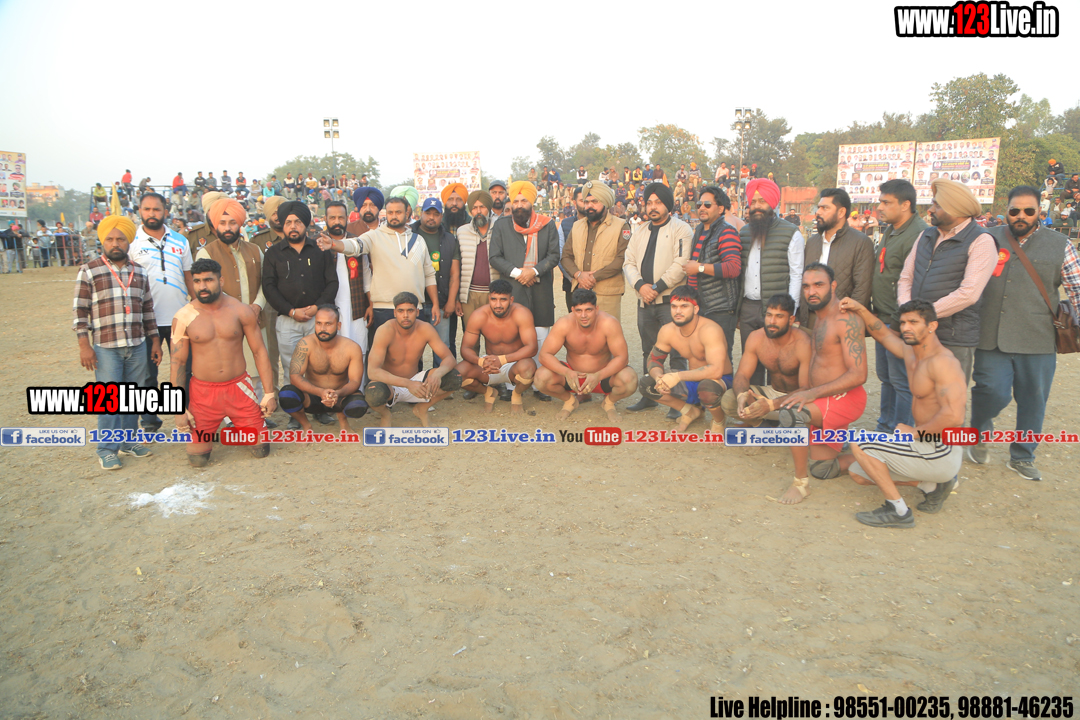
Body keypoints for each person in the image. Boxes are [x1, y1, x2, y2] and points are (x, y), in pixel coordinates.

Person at [966, 185, 1080, 481]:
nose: (1021, 216)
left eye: (1029, 211)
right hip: (990, 335)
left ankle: (1023, 455)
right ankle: (979, 432)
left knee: (1033, 401)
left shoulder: (1060, 244)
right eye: (1015, 210)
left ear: (1040, 212)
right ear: (1006, 210)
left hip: (1038, 337)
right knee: (990, 391)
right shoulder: (986, 238)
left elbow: (1077, 289)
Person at [839, 297, 966, 528]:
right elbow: (883, 335)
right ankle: (931, 486)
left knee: (859, 442)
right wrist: (860, 309)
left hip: (940, 450)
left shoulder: (943, 363)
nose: (906, 327)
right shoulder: (911, 353)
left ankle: (898, 511)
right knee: (859, 472)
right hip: (924, 446)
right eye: (904, 322)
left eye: (914, 322)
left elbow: (955, 416)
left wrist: (915, 432)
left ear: (932, 326)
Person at [774, 264, 869, 505]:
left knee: (791, 414)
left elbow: (859, 374)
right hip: (823, 399)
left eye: (818, 285)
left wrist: (811, 393)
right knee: (822, 469)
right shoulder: (820, 316)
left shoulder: (846, 319)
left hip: (844, 399)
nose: (811, 291)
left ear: (833, 286)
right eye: (806, 286)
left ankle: (800, 484)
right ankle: (876, 457)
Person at [73, 216, 162, 470]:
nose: (115, 243)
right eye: (110, 239)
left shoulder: (139, 271)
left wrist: (155, 341)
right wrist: (84, 345)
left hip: (137, 344)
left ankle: (129, 442)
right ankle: (106, 449)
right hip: (106, 346)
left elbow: (147, 309)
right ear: (103, 240)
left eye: (120, 239)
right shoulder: (89, 270)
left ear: (128, 241)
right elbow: (80, 311)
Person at [170, 259, 277, 466]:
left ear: (221, 280)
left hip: (239, 388)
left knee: (261, 451)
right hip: (203, 393)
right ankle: (221, 430)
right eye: (197, 281)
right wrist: (178, 409)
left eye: (208, 280)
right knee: (198, 459)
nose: (202, 286)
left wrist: (269, 394)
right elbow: (177, 362)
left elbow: (259, 351)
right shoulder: (183, 317)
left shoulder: (240, 310)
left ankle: (239, 426)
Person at [897, 178, 997, 382]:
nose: (931, 210)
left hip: (953, 338)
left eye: (937, 205)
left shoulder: (981, 240)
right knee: (917, 392)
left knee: (947, 396)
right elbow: (906, 278)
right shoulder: (926, 235)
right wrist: (909, 314)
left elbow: (969, 294)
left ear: (956, 209)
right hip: (918, 333)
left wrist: (923, 317)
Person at [318, 195, 438, 347]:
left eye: (398, 212)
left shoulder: (418, 240)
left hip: (414, 308)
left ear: (407, 213)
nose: (394, 216)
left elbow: (429, 274)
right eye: (390, 212)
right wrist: (334, 244)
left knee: (414, 354)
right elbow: (356, 246)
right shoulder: (374, 236)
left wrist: (435, 304)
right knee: (385, 355)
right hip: (384, 308)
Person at [622, 182, 692, 417]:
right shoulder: (640, 231)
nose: (652, 207)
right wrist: (640, 286)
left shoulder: (681, 229)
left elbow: (681, 263)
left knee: (677, 352)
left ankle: (678, 401)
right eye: (649, 203)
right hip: (645, 301)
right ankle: (649, 396)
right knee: (649, 351)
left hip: (671, 302)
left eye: (658, 203)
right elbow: (628, 262)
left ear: (668, 205)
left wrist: (656, 287)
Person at [130, 192, 196, 432]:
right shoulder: (132, 243)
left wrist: (197, 307)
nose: (151, 214)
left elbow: (189, 276)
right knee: (147, 374)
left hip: (180, 319)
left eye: (156, 209)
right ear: (140, 211)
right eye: (146, 209)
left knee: (186, 371)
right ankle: (149, 420)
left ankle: (188, 415)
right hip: (146, 321)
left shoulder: (180, 241)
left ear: (165, 212)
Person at [262, 201, 339, 405]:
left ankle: (318, 408)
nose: (293, 226)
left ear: (306, 224)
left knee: (319, 366)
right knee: (291, 368)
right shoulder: (273, 253)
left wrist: (317, 307)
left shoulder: (320, 250)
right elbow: (268, 288)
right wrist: (290, 311)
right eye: (288, 223)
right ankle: (295, 410)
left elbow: (332, 283)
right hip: (288, 321)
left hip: (317, 320)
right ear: (283, 225)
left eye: (297, 222)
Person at [489, 181, 560, 401]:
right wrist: (519, 273)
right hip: (513, 289)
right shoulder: (502, 225)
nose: (519, 205)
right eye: (516, 201)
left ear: (532, 203)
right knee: (512, 337)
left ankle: (539, 385)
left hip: (540, 290)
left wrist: (534, 271)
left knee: (540, 337)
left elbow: (554, 256)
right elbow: (494, 257)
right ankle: (512, 383)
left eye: (524, 201)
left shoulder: (547, 224)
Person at [871, 179, 928, 433]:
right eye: (880, 202)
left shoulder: (918, 234)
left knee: (902, 381)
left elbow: (914, 286)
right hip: (883, 319)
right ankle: (885, 427)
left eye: (886, 202)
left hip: (900, 323)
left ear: (905, 205)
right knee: (887, 378)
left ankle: (900, 434)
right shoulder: (893, 229)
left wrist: (897, 323)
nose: (879, 207)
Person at [534, 288, 639, 421]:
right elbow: (544, 355)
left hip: (603, 377)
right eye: (579, 311)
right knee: (540, 377)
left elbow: (622, 358)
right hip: (573, 377)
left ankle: (609, 402)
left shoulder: (609, 323)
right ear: (573, 310)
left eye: (588, 310)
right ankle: (570, 401)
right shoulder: (564, 324)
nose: (583, 315)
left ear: (596, 309)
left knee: (630, 379)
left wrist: (598, 375)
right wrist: (567, 372)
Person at [737, 177, 804, 385]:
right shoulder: (744, 233)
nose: (757, 206)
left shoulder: (791, 233)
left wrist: (791, 311)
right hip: (748, 308)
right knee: (751, 360)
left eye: (762, 201)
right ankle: (753, 403)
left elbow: (797, 274)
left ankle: (775, 405)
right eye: (753, 201)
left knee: (777, 362)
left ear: (773, 203)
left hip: (778, 310)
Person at [639, 286, 732, 433]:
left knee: (707, 388)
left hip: (720, 381)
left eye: (684, 306)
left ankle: (719, 420)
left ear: (695, 309)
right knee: (647, 384)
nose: (678, 311)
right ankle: (689, 411)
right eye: (674, 306)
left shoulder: (710, 330)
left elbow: (716, 370)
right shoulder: (667, 330)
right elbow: (654, 360)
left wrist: (677, 376)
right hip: (691, 379)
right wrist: (658, 378)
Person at [365, 292, 461, 427]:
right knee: (373, 392)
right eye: (401, 311)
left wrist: (437, 375)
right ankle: (385, 414)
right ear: (395, 313)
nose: (405, 315)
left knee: (454, 377)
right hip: (391, 384)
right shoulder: (385, 330)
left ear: (417, 312)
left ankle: (422, 408)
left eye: (410, 311)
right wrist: (407, 384)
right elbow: (372, 371)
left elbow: (449, 358)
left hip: (416, 382)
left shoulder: (425, 329)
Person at [722, 293, 811, 430]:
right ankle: (762, 426)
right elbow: (742, 375)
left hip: (797, 401)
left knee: (807, 411)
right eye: (769, 315)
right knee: (729, 399)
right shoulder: (756, 337)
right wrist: (741, 395)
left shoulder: (803, 343)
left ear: (791, 320)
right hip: (772, 394)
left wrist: (772, 405)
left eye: (779, 316)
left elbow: (806, 389)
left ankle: (788, 426)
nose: (772, 321)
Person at [278, 305, 367, 434]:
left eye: (328, 324)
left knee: (358, 404)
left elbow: (355, 381)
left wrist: (337, 393)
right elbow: (295, 376)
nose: (322, 329)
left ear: (338, 326)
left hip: (339, 397)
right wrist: (320, 392)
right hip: (313, 398)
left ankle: (343, 422)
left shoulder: (352, 348)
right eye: (318, 323)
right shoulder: (305, 344)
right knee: (286, 395)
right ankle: (306, 426)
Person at [455, 278, 538, 413]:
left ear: (511, 300)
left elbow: (532, 347)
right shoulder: (479, 315)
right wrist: (481, 362)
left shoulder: (521, 313)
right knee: (458, 374)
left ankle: (516, 394)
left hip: (514, 364)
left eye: (503, 300)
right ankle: (488, 392)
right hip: (490, 365)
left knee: (528, 368)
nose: (498, 305)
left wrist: (503, 360)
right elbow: (465, 348)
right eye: (494, 299)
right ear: (489, 298)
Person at [800, 188, 874, 329]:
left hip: (842, 320)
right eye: (819, 207)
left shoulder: (861, 242)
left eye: (825, 208)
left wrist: (848, 322)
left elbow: (862, 289)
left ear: (841, 212)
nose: (818, 212)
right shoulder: (812, 242)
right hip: (810, 319)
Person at [684, 186, 741, 361]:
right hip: (700, 306)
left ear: (721, 208)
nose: (701, 208)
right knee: (700, 357)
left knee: (720, 360)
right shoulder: (700, 231)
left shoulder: (727, 232)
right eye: (699, 204)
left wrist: (699, 268)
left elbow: (733, 268)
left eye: (707, 204)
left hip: (719, 309)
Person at [562, 181, 631, 321]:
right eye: (586, 202)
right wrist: (578, 275)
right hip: (579, 290)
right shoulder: (577, 226)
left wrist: (593, 277)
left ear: (605, 202)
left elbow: (621, 259)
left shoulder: (621, 226)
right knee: (580, 332)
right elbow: (566, 256)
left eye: (595, 202)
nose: (589, 206)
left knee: (607, 331)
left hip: (607, 292)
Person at [411, 197, 461, 366]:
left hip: (440, 302)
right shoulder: (409, 236)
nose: (431, 217)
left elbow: (455, 273)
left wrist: (451, 301)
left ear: (441, 216)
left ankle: (442, 381)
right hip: (415, 302)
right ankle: (415, 380)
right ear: (421, 213)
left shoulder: (449, 239)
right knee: (414, 349)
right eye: (428, 213)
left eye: (436, 214)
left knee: (442, 347)